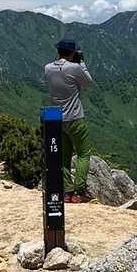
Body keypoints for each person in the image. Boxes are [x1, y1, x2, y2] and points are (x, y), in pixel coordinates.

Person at [41, 39, 94, 202]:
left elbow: (49, 79)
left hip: (57, 119)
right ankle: (79, 192)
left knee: (63, 157)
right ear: (73, 53)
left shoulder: (48, 68)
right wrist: (81, 63)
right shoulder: (75, 68)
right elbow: (89, 83)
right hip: (75, 118)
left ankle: (67, 192)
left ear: (58, 51)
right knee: (83, 154)